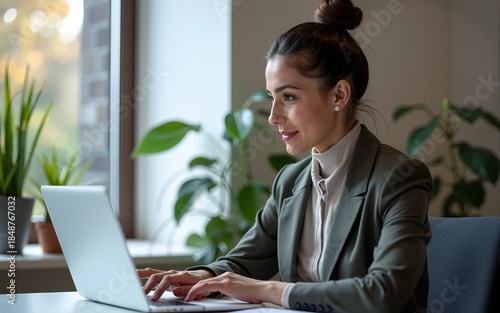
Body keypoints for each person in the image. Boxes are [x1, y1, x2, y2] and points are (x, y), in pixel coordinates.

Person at [138, 0, 432, 312]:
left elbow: (384, 293)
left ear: (339, 95)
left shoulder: (398, 178)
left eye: (289, 97)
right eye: (272, 98)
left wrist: (266, 290)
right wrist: (199, 276)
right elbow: (244, 261)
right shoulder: (290, 182)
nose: (274, 116)